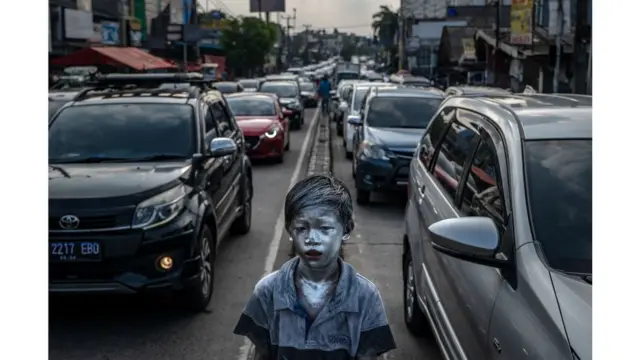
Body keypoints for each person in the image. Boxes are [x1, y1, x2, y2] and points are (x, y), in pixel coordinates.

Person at [233, 175, 396, 360]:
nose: (312, 239)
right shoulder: (267, 292)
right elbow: (260, 354)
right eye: (302, 228)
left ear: (347, 230)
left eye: (325, 228)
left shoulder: (365, 297)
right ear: (289, 230)